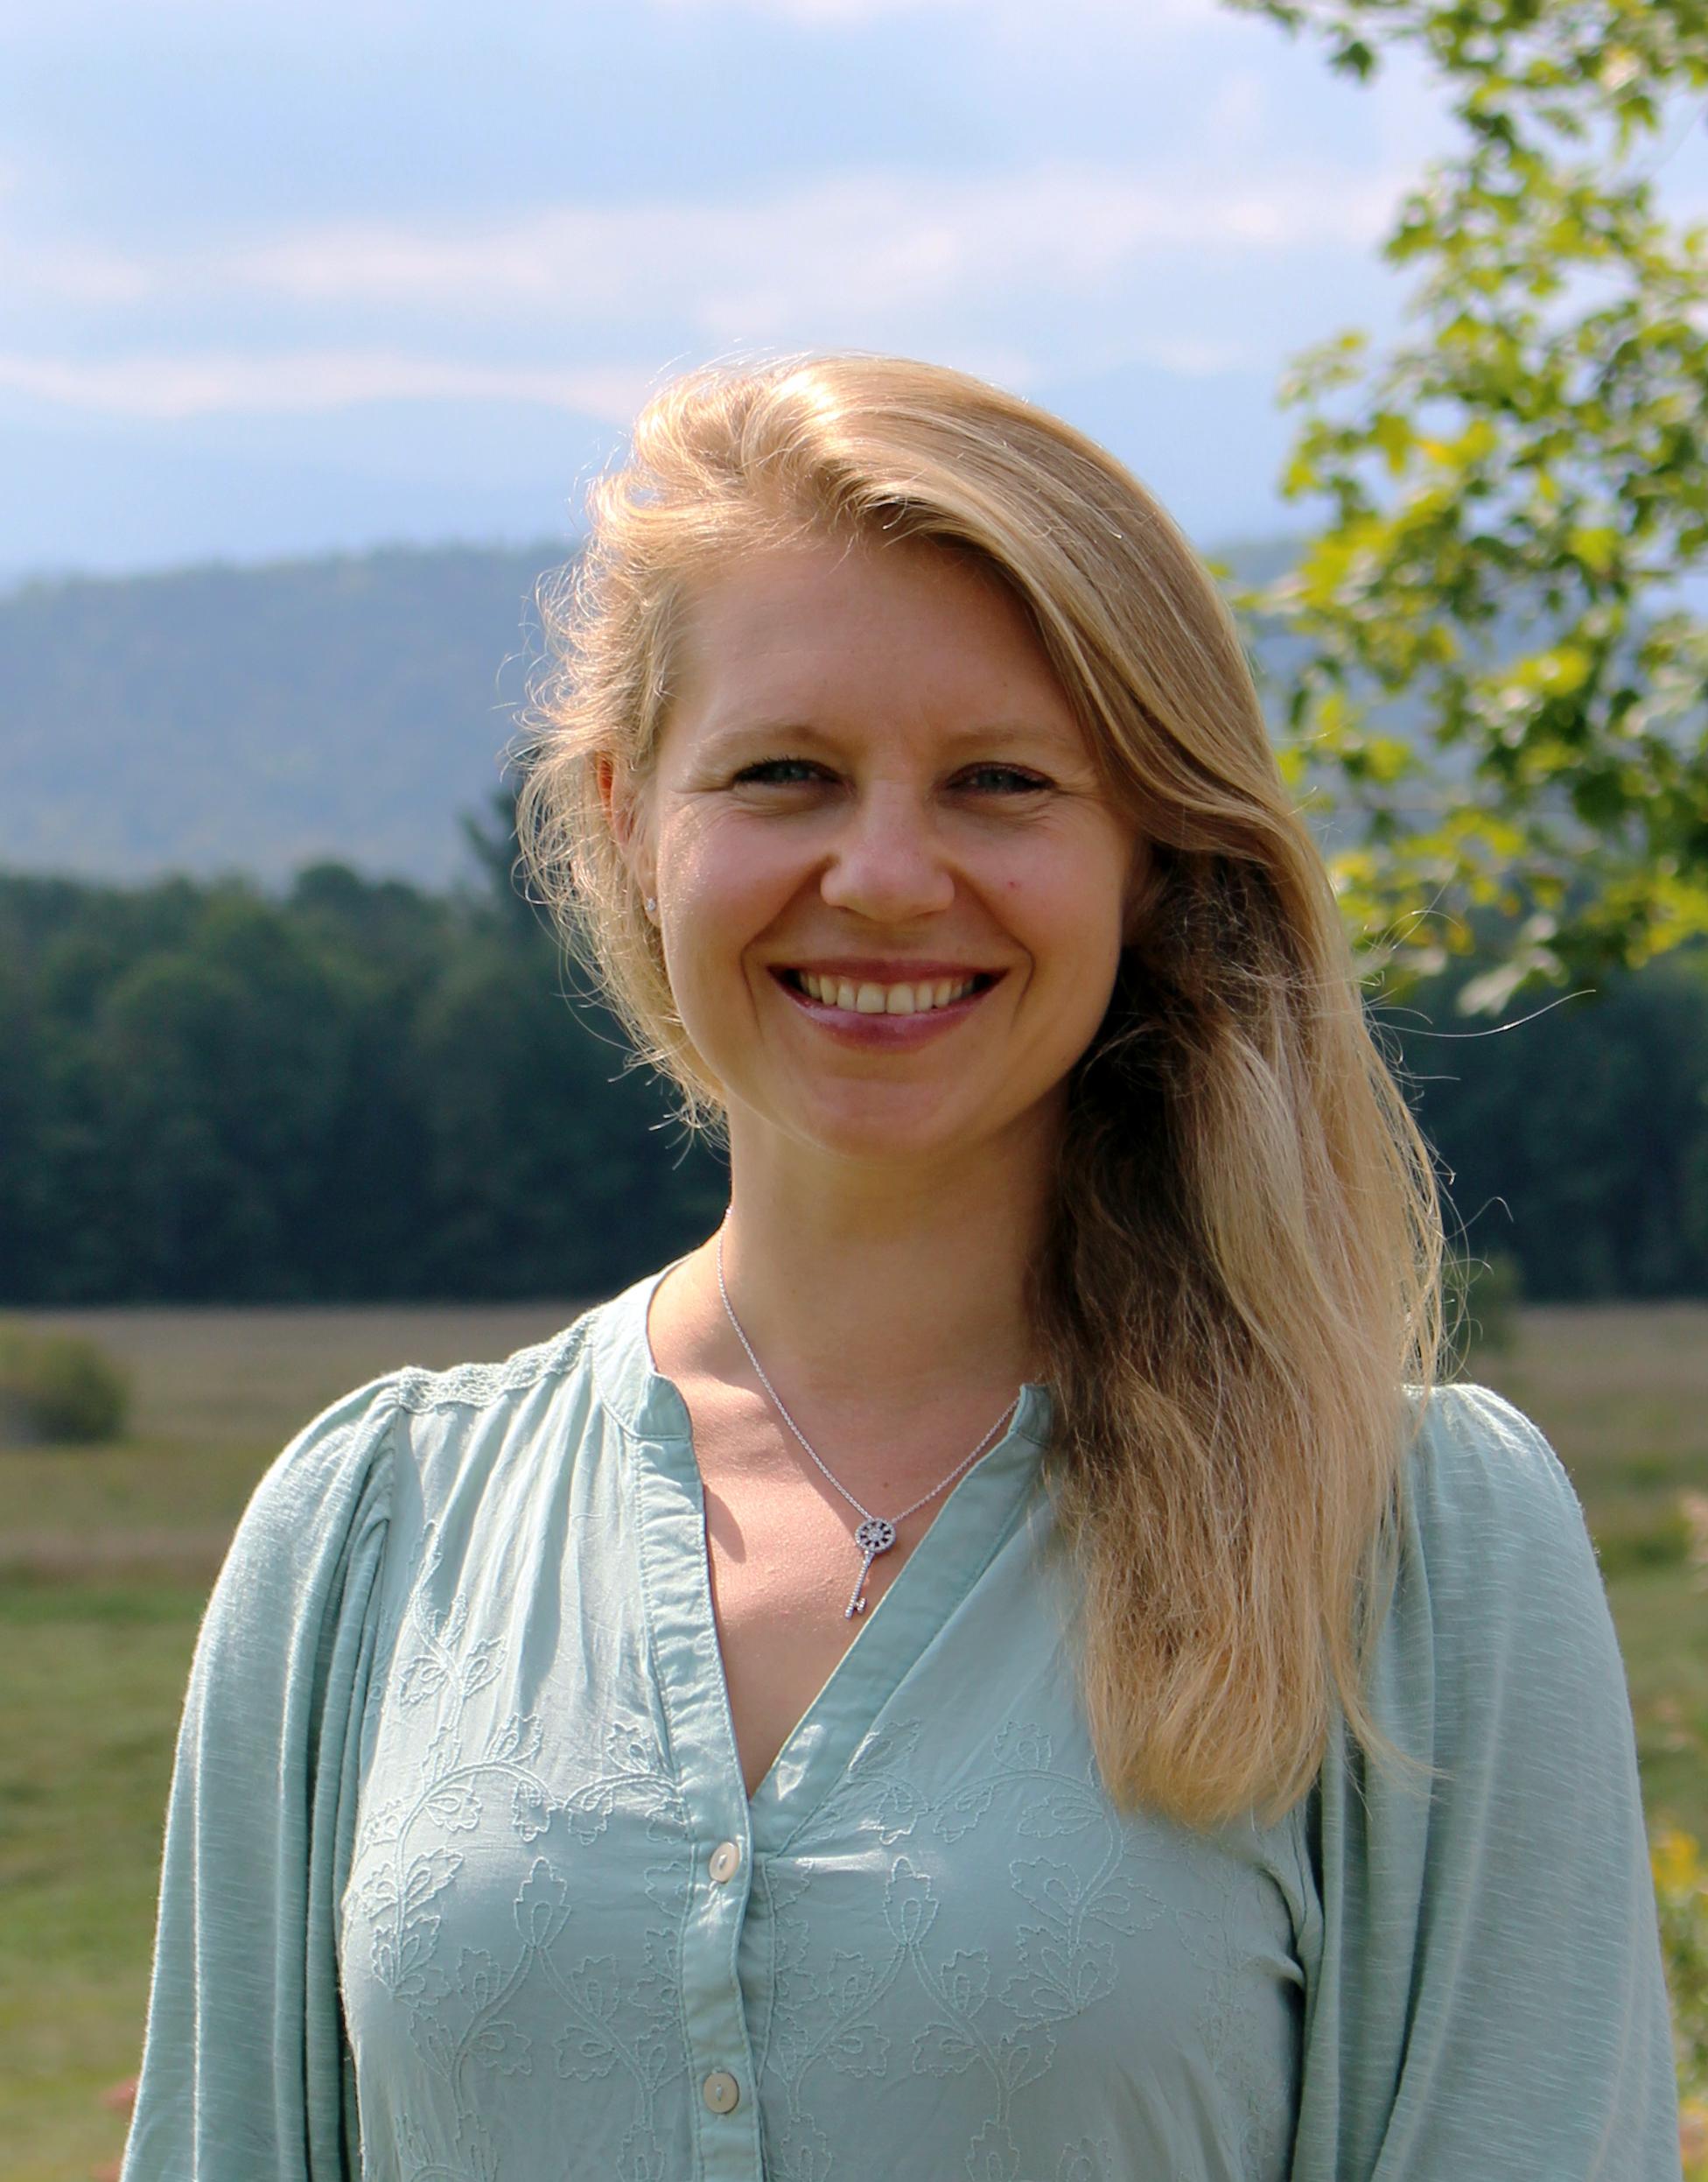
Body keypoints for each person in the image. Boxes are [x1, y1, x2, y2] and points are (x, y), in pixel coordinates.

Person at [120, 354, 1682, 2182]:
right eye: (784, 773)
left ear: (1149, 855)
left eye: (998, 782)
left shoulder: (1411, 1544)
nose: (879, 873)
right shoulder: (368, 1530)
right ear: (630, 815)